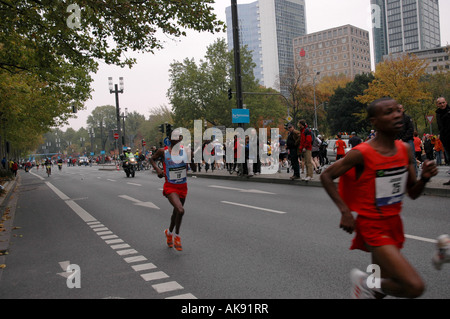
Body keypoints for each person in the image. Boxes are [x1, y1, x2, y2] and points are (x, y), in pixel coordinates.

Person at [320, 97, 438, 299]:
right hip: (372, 226)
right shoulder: (362, 153)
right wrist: (345, 211)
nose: (397, 115)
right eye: (388, 112)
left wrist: (425, 178)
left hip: (394, 224)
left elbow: (413, 193)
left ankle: (367, 286)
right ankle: (363, 282)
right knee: (413, 286)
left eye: (398, 110)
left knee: (379, 288)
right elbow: (326, 175)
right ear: (374, 121)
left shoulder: (405, 149)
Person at [150, 129, 189, 251]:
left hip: (182, 186)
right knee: (180, 210)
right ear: (170, 139)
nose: (176, 139)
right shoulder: (163, 151)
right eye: (174, 137)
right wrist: (158, 170)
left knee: (176, 212)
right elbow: (152, 159)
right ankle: (177, 236)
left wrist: (192, 159)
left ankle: (169, 233)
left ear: (181, 139)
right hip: (170, 186)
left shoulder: (185, 151)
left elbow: (193, 167)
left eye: (178, 137)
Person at [436, 97, 450, 185]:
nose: (442, 104)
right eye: (440, 103)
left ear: (446, 102)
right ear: (437, 104)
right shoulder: (438, 113)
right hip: (445, 139)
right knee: (449, 159)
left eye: (443, 103)